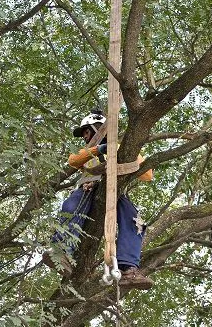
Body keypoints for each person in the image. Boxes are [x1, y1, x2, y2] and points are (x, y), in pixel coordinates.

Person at [43, 109, 154, 290]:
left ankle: (129, 269)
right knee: (71, 207)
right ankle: (61, 250)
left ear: (97, 129)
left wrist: (122, 151)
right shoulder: (88, 151)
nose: (84, 136)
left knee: (136, 223)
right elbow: (73, 160)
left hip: (116, 192)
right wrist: (99, 149)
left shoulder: (122, 148)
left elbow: (147, 175)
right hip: (89, 187)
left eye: (87, 131)